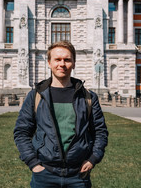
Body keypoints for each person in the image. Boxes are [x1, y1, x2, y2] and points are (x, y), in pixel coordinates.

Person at [14, 41, 108, 188]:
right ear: (49, 63)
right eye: (57, 59)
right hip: (44, 174)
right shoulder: (35, 96)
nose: (62, 64)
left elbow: (100, 132)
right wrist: (33, 163)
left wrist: (93, 158)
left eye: (67, 59)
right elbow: (21, 132)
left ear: (74, 63)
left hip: (78, 175)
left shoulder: (88, 97)